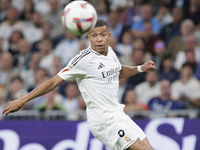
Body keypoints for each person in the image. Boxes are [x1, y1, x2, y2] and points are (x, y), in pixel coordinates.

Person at [3, 19, 155, 150]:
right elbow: (53, 82)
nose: (99, 39)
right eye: (94, 35)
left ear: (109, 36)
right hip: (104, 121)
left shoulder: (111, 52)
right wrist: (22, 100)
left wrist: (141, 68)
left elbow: (118, 71)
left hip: (118, 114)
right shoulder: (82, 60)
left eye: (103, 34)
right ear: (89, 37)